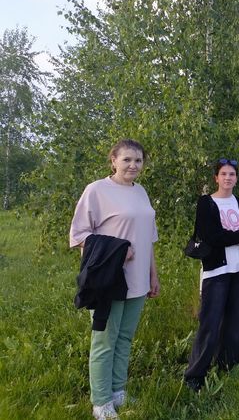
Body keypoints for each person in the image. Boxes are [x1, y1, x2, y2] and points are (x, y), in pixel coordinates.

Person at [70, 139, 160, 420]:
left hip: (138, 280)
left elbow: (149, 238)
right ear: (113, 161)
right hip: (109, 280)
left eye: (138, 160)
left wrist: (153, 275)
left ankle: (118, 391)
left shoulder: (141, 191)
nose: (133, 165)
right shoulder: (97, 190)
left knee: (124, 338)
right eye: (127, 159)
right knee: (105, 341)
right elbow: (78, 235)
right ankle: (101, 402)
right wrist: (116, 251)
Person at [184, 159, 239, 392]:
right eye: (223, 174)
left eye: (232, 174)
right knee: (210, 324)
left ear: (236, 178)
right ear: (216, 178)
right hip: (216, 272)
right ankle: (195, 375)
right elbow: (214, 238)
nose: (228, 178)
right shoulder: (206, 204)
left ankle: (228, 366)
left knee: (233, 323)